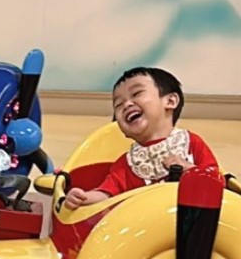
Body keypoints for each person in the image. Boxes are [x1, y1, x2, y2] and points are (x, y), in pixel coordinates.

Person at [64, 67, 219, 210]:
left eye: (137, 94)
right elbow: (106, 195)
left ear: (170, 101)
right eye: (118, 105)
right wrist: (84, 198)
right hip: (144, 228)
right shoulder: (127, 164)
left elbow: (217, 183)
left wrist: (190, 170)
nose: (126, 104)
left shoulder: (191, 143)